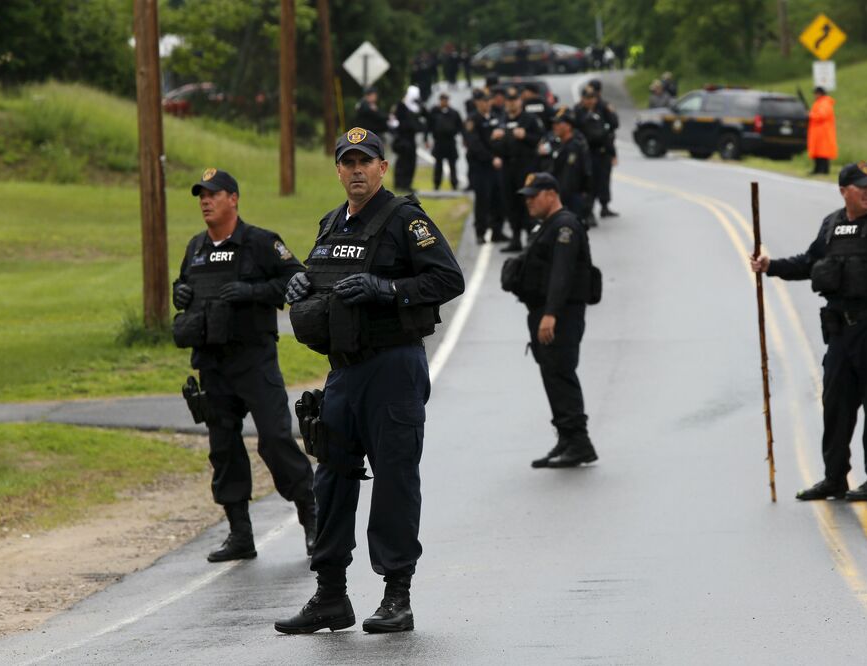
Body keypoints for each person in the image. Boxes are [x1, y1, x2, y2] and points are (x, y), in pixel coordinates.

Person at [274, 128, 464, 635]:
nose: (357, 169)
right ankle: (330, 597)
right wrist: (299, 284)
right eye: (348, 161)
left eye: (366, 161)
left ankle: (396, 595)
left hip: (393, 368)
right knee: (332, 480)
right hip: (343, 371)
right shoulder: (332, 223)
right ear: (338, 169)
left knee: (394, 480)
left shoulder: (405, 219)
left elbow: (448, 279)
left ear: (382, 168)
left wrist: (389, 289)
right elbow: (322, 282)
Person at [750, 161, 867, 502]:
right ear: (844, 191)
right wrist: (771, 267)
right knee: (835, 404)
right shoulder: (832, 225)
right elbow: (808, 263)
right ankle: (834, 478)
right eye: (862, 186)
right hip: (840, 331)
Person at [172, 168, 317, 563]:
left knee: (275, 439)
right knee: (223, 447)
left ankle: (312, 519)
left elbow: (299, 280)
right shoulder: (196, 247)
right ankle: (240, 534)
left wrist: (252, 292)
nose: (205, 201)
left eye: (213, 194)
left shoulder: (261, 243)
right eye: (201, 195)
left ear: (233, 198)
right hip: (212, 363)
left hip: (254, 360)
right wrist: (179, 292)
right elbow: (183, 289)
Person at [511, 173, 599, 468]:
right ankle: (566, 438)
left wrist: (550, 314)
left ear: (551, 193)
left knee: (561, 374)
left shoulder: (565, 226)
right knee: (552, 374)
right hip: (545, 312)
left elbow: (562, 274)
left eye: (533, 196)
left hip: (561, 314)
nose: (528, 202)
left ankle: (580, 442)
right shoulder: (548, 225)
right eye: (526, 197)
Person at [491, 86, 544, 252]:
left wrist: (525, 136)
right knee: (510, 201)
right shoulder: (502, 120)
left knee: (527, 201)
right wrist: (495, 139)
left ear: (520, 101)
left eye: (514, 100)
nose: (511, 104)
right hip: (508, 167)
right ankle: (515, 238)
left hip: (526, 166)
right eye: (508, 100)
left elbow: (539, 139)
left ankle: (531, 237)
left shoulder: (529, 119)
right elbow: (495, 145)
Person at [540, 106, 592, 222]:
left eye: (559, 123)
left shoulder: (574, 147)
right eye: (554, 123)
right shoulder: (558, 145)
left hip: (570, 200)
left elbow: (569, 179)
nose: (555, 126)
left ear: (568, 126)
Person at [575, 84, 618, 220]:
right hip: (587, 152)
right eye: (587, 98)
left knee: (604, 180)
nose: (590, 101)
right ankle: (589, 211)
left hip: (603, 150)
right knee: (589, 183)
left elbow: (614, 125)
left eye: (593, 98)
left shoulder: (602, 108)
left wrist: (613, 153)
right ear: (582, 99)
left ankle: (604, 206)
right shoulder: (578, 111)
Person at [464, 89, 497, 243]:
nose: (487, 104)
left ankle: (497, 230)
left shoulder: (494, 117)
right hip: (480, 166)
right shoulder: (472, 120)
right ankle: (480, 232)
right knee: (482, 199)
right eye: (484, 101)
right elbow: (474, 144)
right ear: (477, 102)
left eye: (488, 100)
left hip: (495, 165)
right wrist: (491, 158)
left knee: (497, 199)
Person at [391, 85, 427, 192]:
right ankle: (399, 184)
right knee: (402, 162)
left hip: (411, 138)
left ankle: (407, 184)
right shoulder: (401, 106)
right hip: (402, 138)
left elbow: (424, 115)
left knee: (411, 162)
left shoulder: (415, 107)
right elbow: (400, 123)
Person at [429, 92, 464, 191]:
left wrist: (463, 138)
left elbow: (460, 126)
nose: (444, 102)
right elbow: (429, 125)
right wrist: (426, 138)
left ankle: (454, 184)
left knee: (452, 164)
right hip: (439, 141)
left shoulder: (454, 112)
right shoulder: (434, 111)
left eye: (446, 100)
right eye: (443, 100)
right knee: (438, 165)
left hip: (450, 141)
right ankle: (437, 184)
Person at [808, 86, 838, 175]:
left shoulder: (824, 103)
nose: (814, 96)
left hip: (823, 132)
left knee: (823, 153)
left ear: (819, 94)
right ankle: (818, 169)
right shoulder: (820, 102)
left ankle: (822, 170)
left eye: (815, 94)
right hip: (819, 131)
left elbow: (822, 115)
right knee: (818, 152)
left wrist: (810, 115)